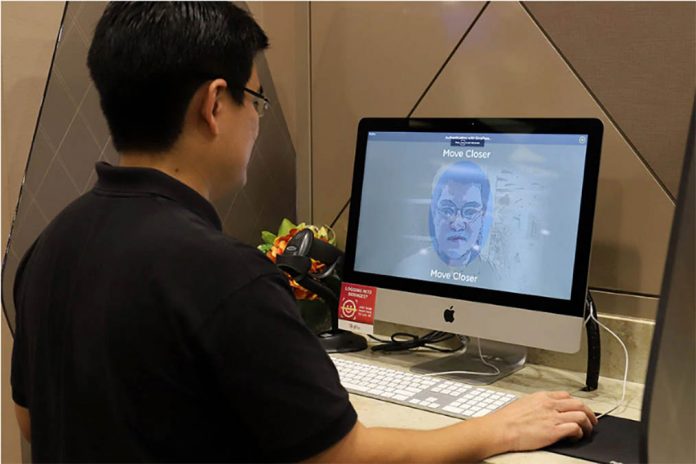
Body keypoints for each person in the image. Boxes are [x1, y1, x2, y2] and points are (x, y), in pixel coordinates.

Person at [11, 3, 596, 462]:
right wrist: (494, 429)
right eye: (256, 99)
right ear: (216, 104)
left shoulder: (49, 247)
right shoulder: (226, 278)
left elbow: (34, 422)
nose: (257, 121)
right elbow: (342, 456)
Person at [395, 161, 499, 286]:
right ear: (434, 213)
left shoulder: (495, 278)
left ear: (482, 219)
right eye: (447, 210)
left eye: (470, 211)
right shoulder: (408, 270)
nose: (457, 224)